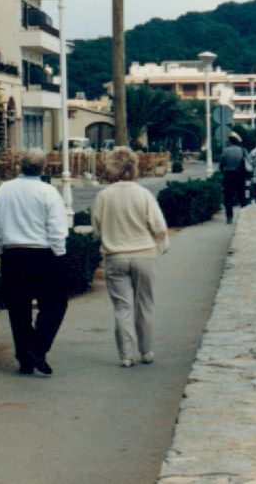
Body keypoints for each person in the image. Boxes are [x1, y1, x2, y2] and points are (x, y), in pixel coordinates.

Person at [0, 149, 69, 376]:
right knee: (55, 304)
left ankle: (25, 357)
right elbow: (57, 228)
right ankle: (37, 348)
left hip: (13, 254)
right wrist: (59, 255)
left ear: (20, 166)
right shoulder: (48, 192)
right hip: (43, 254)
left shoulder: (4, 190)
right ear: (44, 168)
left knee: (19, 308)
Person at [91, 146, 170, 368]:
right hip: (144, 255)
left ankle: (126, 354)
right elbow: (158, 226)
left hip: (115, 256)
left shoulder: (103, 196)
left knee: (122, 307)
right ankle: (146, 351)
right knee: (144, 305)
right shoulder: (143, 194)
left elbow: (97, 230)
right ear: (134, 167)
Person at [218, 133, 249, 223]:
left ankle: (229, 217)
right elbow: (248, 162)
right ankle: (244, 216)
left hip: (229, 176)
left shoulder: (225, 151)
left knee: (228, 198)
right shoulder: (243, 150)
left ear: (230, 142)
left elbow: (221, 164)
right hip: (241, 176)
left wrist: (223, 172)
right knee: (242, 196)